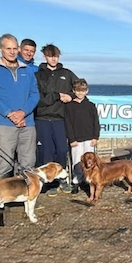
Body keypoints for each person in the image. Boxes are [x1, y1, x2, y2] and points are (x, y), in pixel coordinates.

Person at [0, 34, 40, 178]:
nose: (12, 52)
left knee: (28, 164)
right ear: (0, 49)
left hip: (27, 123)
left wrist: (22, 112)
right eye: (8, 48)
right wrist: (10, 113)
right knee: (3, 165)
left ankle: (24, 198)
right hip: (2, 123)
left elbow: (35, 94)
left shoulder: (27, 69)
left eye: (14, 48)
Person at [35, 44, 79, 195]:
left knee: (61, 150)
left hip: (60, 118)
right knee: (47, 152)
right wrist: (57, 96)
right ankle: (51, 183)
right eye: (50, 56)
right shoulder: (38, 75)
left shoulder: (66, 73)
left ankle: (62, 179)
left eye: (56, 56)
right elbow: (37, 97)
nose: (53, 59)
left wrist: (71, 96)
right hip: (42, 118)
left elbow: (80, 87)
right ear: (44, 57)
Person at [65, 79, 101, 194]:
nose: (80, 93)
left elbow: (96, 122)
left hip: (89, 138)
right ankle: (76, 181)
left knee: (90, 162)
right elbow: (68, 123)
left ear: (87, 91)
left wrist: (95, 137)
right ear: (74, 91)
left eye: (83, 91)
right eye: (78, 91)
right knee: (77, 161)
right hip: (76, 140)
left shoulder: (91, 106)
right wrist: (71, 139)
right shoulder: (69, 106)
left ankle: (88, 181)